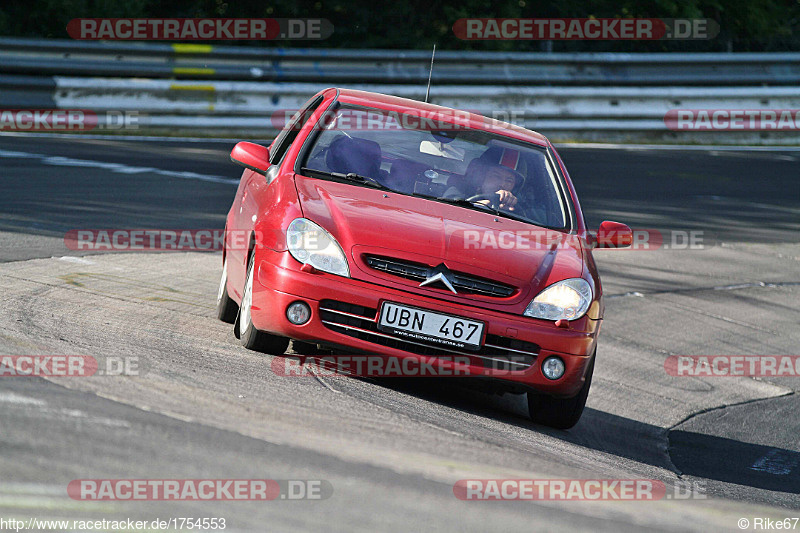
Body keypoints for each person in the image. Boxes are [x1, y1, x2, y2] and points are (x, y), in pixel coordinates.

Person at [444, 146, 524, 211]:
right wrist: (476, 207)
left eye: (509, 180)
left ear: (515, 187)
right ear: (481, 176)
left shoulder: (518, 210)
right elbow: (446, 211)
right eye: (496, 176)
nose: (502, 184)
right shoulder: (457, 191)